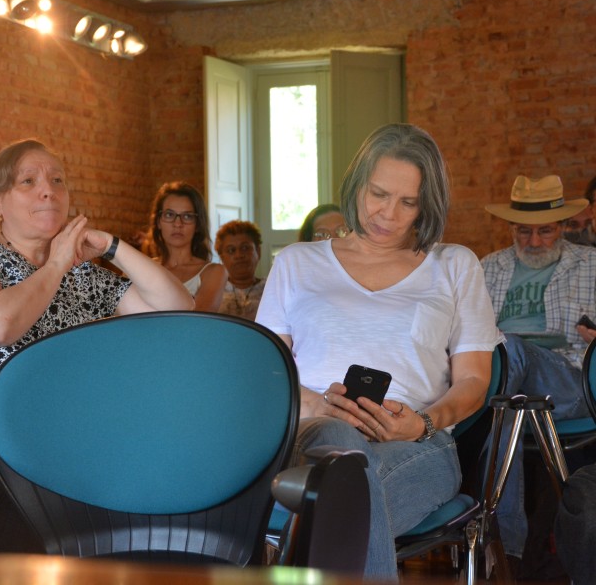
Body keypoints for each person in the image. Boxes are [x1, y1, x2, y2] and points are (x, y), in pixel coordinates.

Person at [256, 123, 502, 578]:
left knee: (334, 498)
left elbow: (473, 381)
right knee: (343, 450)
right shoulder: (296, 262)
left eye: (408, 202)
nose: (388, 214)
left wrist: (422, 423)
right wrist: (320, 406)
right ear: (356, 185)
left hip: (418, 446)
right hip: (311, 437)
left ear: (427, 205)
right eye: (378, 194)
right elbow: (263, 372)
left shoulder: (454, 264)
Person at [0, 138, 194, 551]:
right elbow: (2, 324)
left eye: (57, 180)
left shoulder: (82, 274)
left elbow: (177, 305)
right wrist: (54, 264)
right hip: (9, 444)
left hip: (84, 437)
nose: (47, 190)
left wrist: (111, 247)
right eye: (28, 181)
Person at [481, 174, 596, 566]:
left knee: (507, 353)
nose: (532, 242)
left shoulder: (592, 265)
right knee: (508, 407)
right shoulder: (488, 268)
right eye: (522, 231)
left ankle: (501, 543)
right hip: (508, 386)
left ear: (563, 226)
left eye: (544, 231)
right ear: (510, 227)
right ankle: (510, 552)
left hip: (569, 380)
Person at [145, 181, 227, 311]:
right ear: (158, 221)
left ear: (198, 225)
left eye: (187, 216)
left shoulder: (214, 272)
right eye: (169, 215)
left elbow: (198, 322)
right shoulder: (139, 269)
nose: (178, 223)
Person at [214, 220, 266, 321]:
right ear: (221, 257)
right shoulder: (212, 293)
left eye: (245, 248)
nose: (239, 255)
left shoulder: (272, 289)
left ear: (258, 252)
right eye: (231, 250)